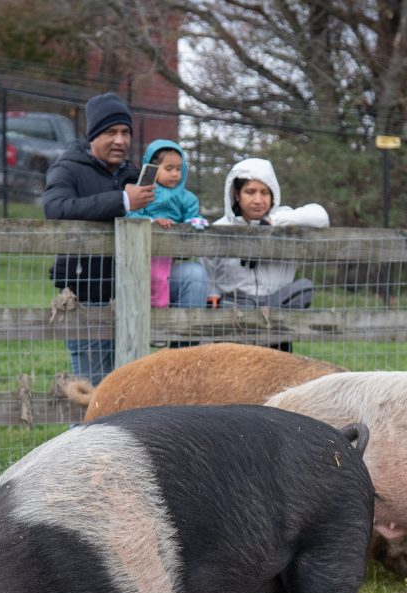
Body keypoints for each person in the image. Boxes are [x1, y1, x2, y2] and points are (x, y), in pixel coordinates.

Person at [42, 93, 208, 383]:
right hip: (89, 295)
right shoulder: (67, 168)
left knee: (192, 274)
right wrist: (123, 200)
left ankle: (184, 359)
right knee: (94, 391)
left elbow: (169, 204)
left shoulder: (135, 173)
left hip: (136, 290)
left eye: (125, 132)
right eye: (110, 132)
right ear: (93, 135)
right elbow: (57, 209)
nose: (120, 140)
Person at [203, 157, 329, 352]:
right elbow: (210, 273)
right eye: (250, 192)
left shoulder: (287, 219)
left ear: (273, 195)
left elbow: (321, 216)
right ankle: (248, 341)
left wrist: (273, 222)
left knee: (305, 287)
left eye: (264, 192)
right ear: (237, 194)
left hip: (276, 305)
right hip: (237, 306)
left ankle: (268, 340)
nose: (258, 200)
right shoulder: (220, 228)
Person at [126, 139, 207, 308]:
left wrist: (192, 222)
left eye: (179, 169)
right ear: (152, 168)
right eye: (168, 169)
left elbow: (191, 216)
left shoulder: (186, 197)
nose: (175, 174)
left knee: (160, 274)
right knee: (154, 275)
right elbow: (132, 213)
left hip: (168, 250)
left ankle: (160, 309)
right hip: (141, 247)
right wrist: (152, 222)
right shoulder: (143, 192)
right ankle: (154, 309)